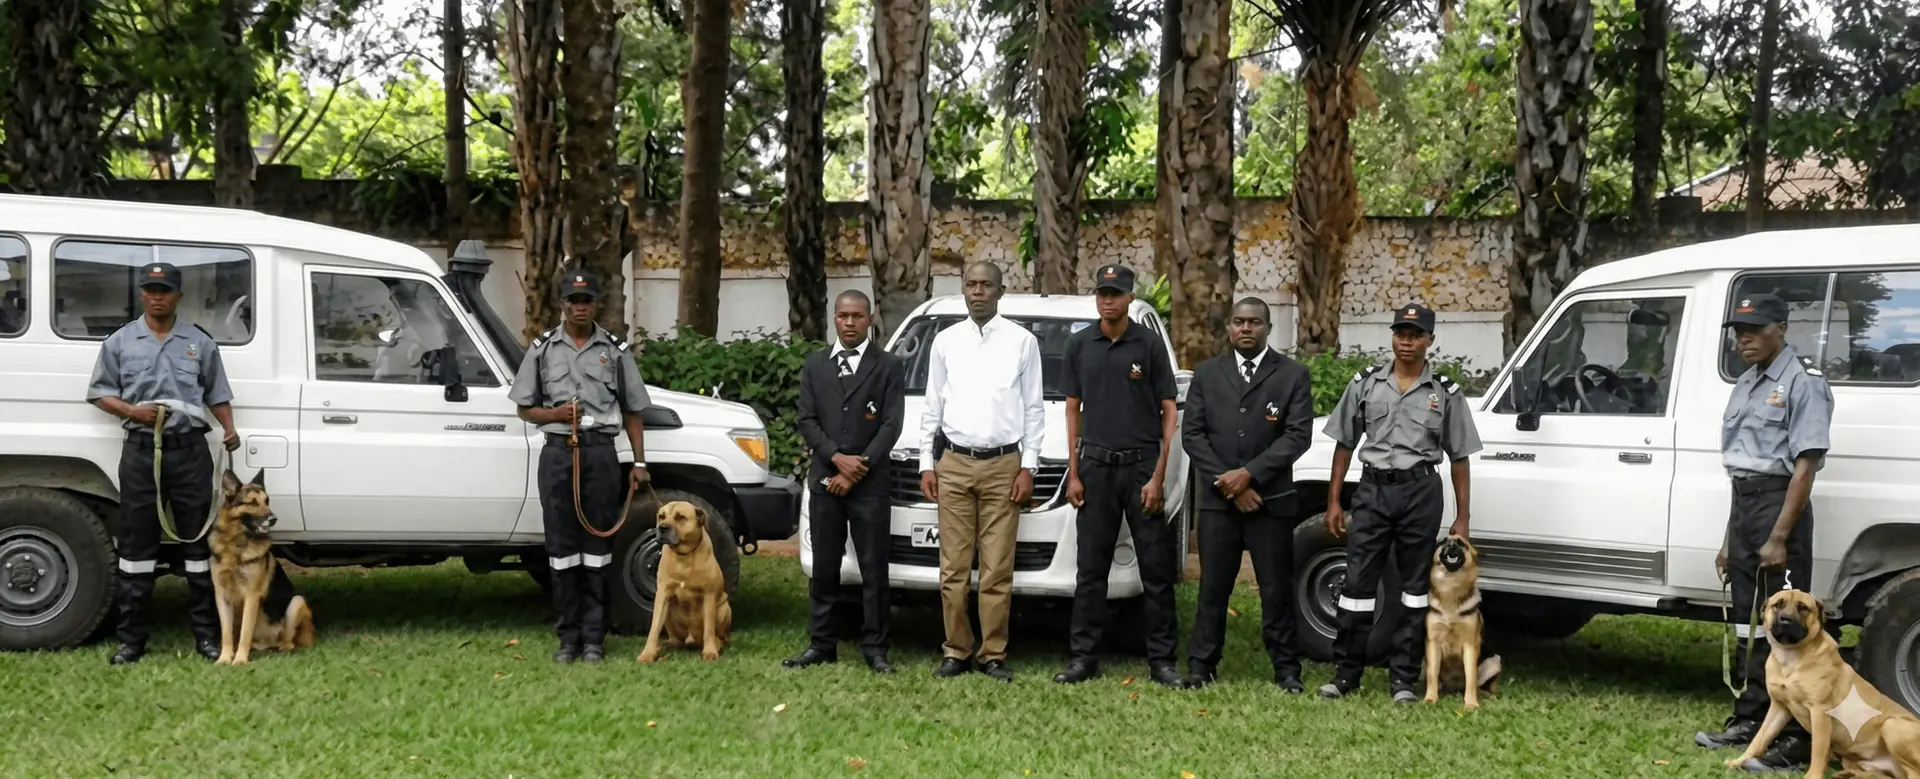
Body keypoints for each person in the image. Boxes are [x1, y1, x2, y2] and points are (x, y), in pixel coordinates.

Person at [1693, 293, 1833, 773]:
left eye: (1754, 330)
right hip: (1746, 506)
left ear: (1782, 327)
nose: (1743, 339)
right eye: (1738, 331)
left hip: (1781, 507)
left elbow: (1804, 467)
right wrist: (1730, 540)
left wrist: (1778, 536)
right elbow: (1740, 469)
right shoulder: (1747, 383)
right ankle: (1750, 718)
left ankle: (1795, 740)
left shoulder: (1803, 382)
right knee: (1748, 622)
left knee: (1789, 624)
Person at [1319, 303, 1480, 704]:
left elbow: (1459, 458)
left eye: (1415, 335)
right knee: (1356, 586)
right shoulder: (1366, 384)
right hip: (1373, 490)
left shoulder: (1445, 392)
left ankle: (1403, 679)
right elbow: (1344, 444)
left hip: (1420, 493)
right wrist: (1334, 500)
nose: (1406, 342)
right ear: (1393, 337)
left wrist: (1462, 518)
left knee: (1413, 591)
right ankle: (1346, 674)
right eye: (1400, 334)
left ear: (1429, 341)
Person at [85, 262, 241, 665]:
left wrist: (229, 428)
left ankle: (207, 637)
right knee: (137, 549)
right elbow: (100, 393)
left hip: (190, 452)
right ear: (142, 295)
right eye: (151, 290)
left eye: (165, 290)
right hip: (140, 452)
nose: (158, 296)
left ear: (178, 296)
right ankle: (132, 640)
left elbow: (216, 392)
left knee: (197, 544)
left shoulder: (199, 342)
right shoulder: (120, 342)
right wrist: (132, 413)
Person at [509, 268, 651, 665]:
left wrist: (639, 462)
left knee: (598, 548)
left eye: (586, 300)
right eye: (573, 300)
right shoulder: (542, 349)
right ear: (562, 304)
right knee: (561, 549)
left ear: (595, 305)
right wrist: (553, 414)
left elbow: (633, 410)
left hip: (600, 454)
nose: (580, 307)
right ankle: (567, 638)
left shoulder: (615, 351)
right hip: (558, 455)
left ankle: (594, 639)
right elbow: (523, 408)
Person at [1052, 264, 1183, 688]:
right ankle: (1083, 658)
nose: (1108, 300)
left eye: (1116, 293)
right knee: (1090, 570)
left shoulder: (1147, 345)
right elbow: (1072, 410)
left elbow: (1168, 412)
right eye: (1102, 293)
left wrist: (1158, 476)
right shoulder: (1079, 345)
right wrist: (1074, 473)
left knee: (1156, 570)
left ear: (1129, 298)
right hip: (1095, 468)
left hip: (1142, 466)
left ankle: (1162, 660)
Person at [918, 261, 1045, 682]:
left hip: (1003, 466)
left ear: (1001, 291)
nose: (978, 292)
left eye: (986, 285)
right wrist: (926, 463)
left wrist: (1029, 467)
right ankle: (956, 649)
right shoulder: (945, 342)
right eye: (971, 285)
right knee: (953, 569)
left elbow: (1033, 409)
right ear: (963, 290)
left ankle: (993, 654)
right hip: (953, 463)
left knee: (995, 569)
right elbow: (931, 406)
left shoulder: (1022, 342)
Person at [1180, 297, 1314, 692]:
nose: (1245, 328)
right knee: (1212, 588)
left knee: (1275, 589)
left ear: (1268, 328)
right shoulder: (1208, 374)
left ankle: (1286, 670)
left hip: (1269, 502)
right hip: (1218, 503)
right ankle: (1201, 666)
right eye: (1238, 322)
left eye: (1254, 322)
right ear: (1229, 329)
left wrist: (1250, 475)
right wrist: (1229, 481)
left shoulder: (1292, 375)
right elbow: (1193, 435)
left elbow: (1297, 436)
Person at [785, 290, 907, 674]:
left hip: (870, 483)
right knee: (824, 567)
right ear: (833, 319)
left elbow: (891, 424)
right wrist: (837, 460)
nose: (850, 322)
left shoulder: (887, 366)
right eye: (842, 316)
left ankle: (875, 647)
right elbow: (807, 420)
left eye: (857, 316)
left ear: (869, 319)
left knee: (874, 568)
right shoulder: (816, 365)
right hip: (826, 479)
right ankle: (822, 643)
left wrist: (858, 467)